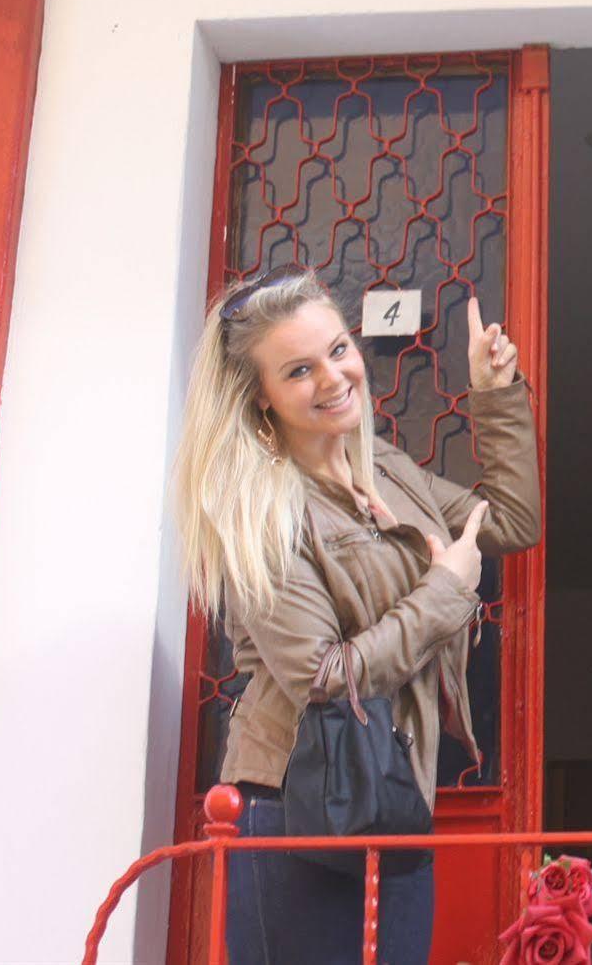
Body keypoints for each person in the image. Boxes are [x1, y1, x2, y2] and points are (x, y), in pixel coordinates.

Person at [171, 264, 541, 965]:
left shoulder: (389, 471)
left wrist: (494, 398)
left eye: (338, 351)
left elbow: (512, 522)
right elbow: (321, 674)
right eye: (299, 371)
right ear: (262, 401)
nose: (334, 378)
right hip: (296, 805)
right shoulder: (264, 512)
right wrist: (444, 591)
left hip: (391, 798)